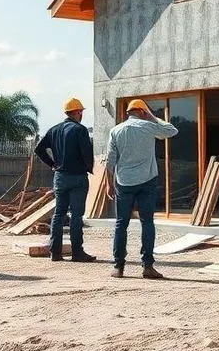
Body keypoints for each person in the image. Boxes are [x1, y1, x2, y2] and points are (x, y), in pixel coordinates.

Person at [104, 99, 177, 279]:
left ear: (129, 113)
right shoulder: (148, 127)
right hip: (147, 181)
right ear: (143, 112)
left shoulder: (116, 130)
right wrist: (153, 117)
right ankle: (148, 266)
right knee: (147, 222)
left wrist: (109, 184)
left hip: (124, 182)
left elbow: (110, 161)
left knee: (121, 223)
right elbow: (172, 130)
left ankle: (118, 267)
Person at [34, 97, 98, 263]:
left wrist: (52, 164)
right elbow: (86, 152)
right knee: (76, 215)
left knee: (58, 214)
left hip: (60, 177)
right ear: (78, 112)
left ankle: (55, 253)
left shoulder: (54, 130)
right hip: (77, 178)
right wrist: (89, 168)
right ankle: (77, 252)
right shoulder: (80, 130)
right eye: (81, 112)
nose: (82, 115)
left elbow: (38, 149)